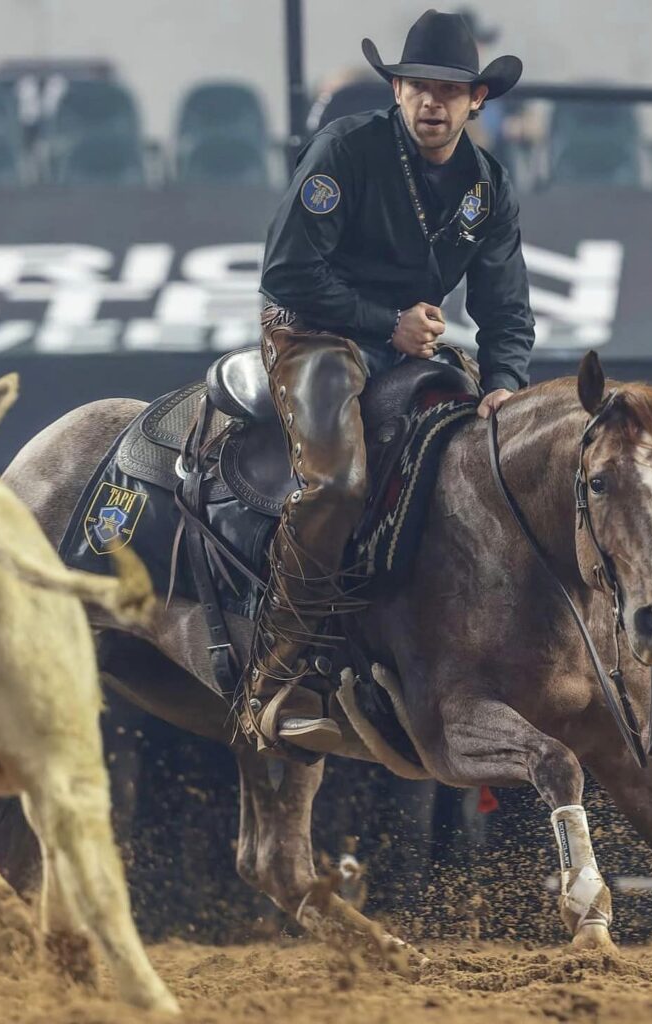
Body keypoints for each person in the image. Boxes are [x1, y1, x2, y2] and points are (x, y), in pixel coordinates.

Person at [243, 9, 536, 753]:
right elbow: (286, 273)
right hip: (311, 330)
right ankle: (272, 678)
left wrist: (504, 381)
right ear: (397, 91)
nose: (432, 101)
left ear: (476, 101)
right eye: (418, 86)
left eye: (450, 90)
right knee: (335, 486)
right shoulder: (345, 150)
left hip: (411, 344)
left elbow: (506, 307)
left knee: (485, 469)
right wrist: (386, 323)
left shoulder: (488, 186)